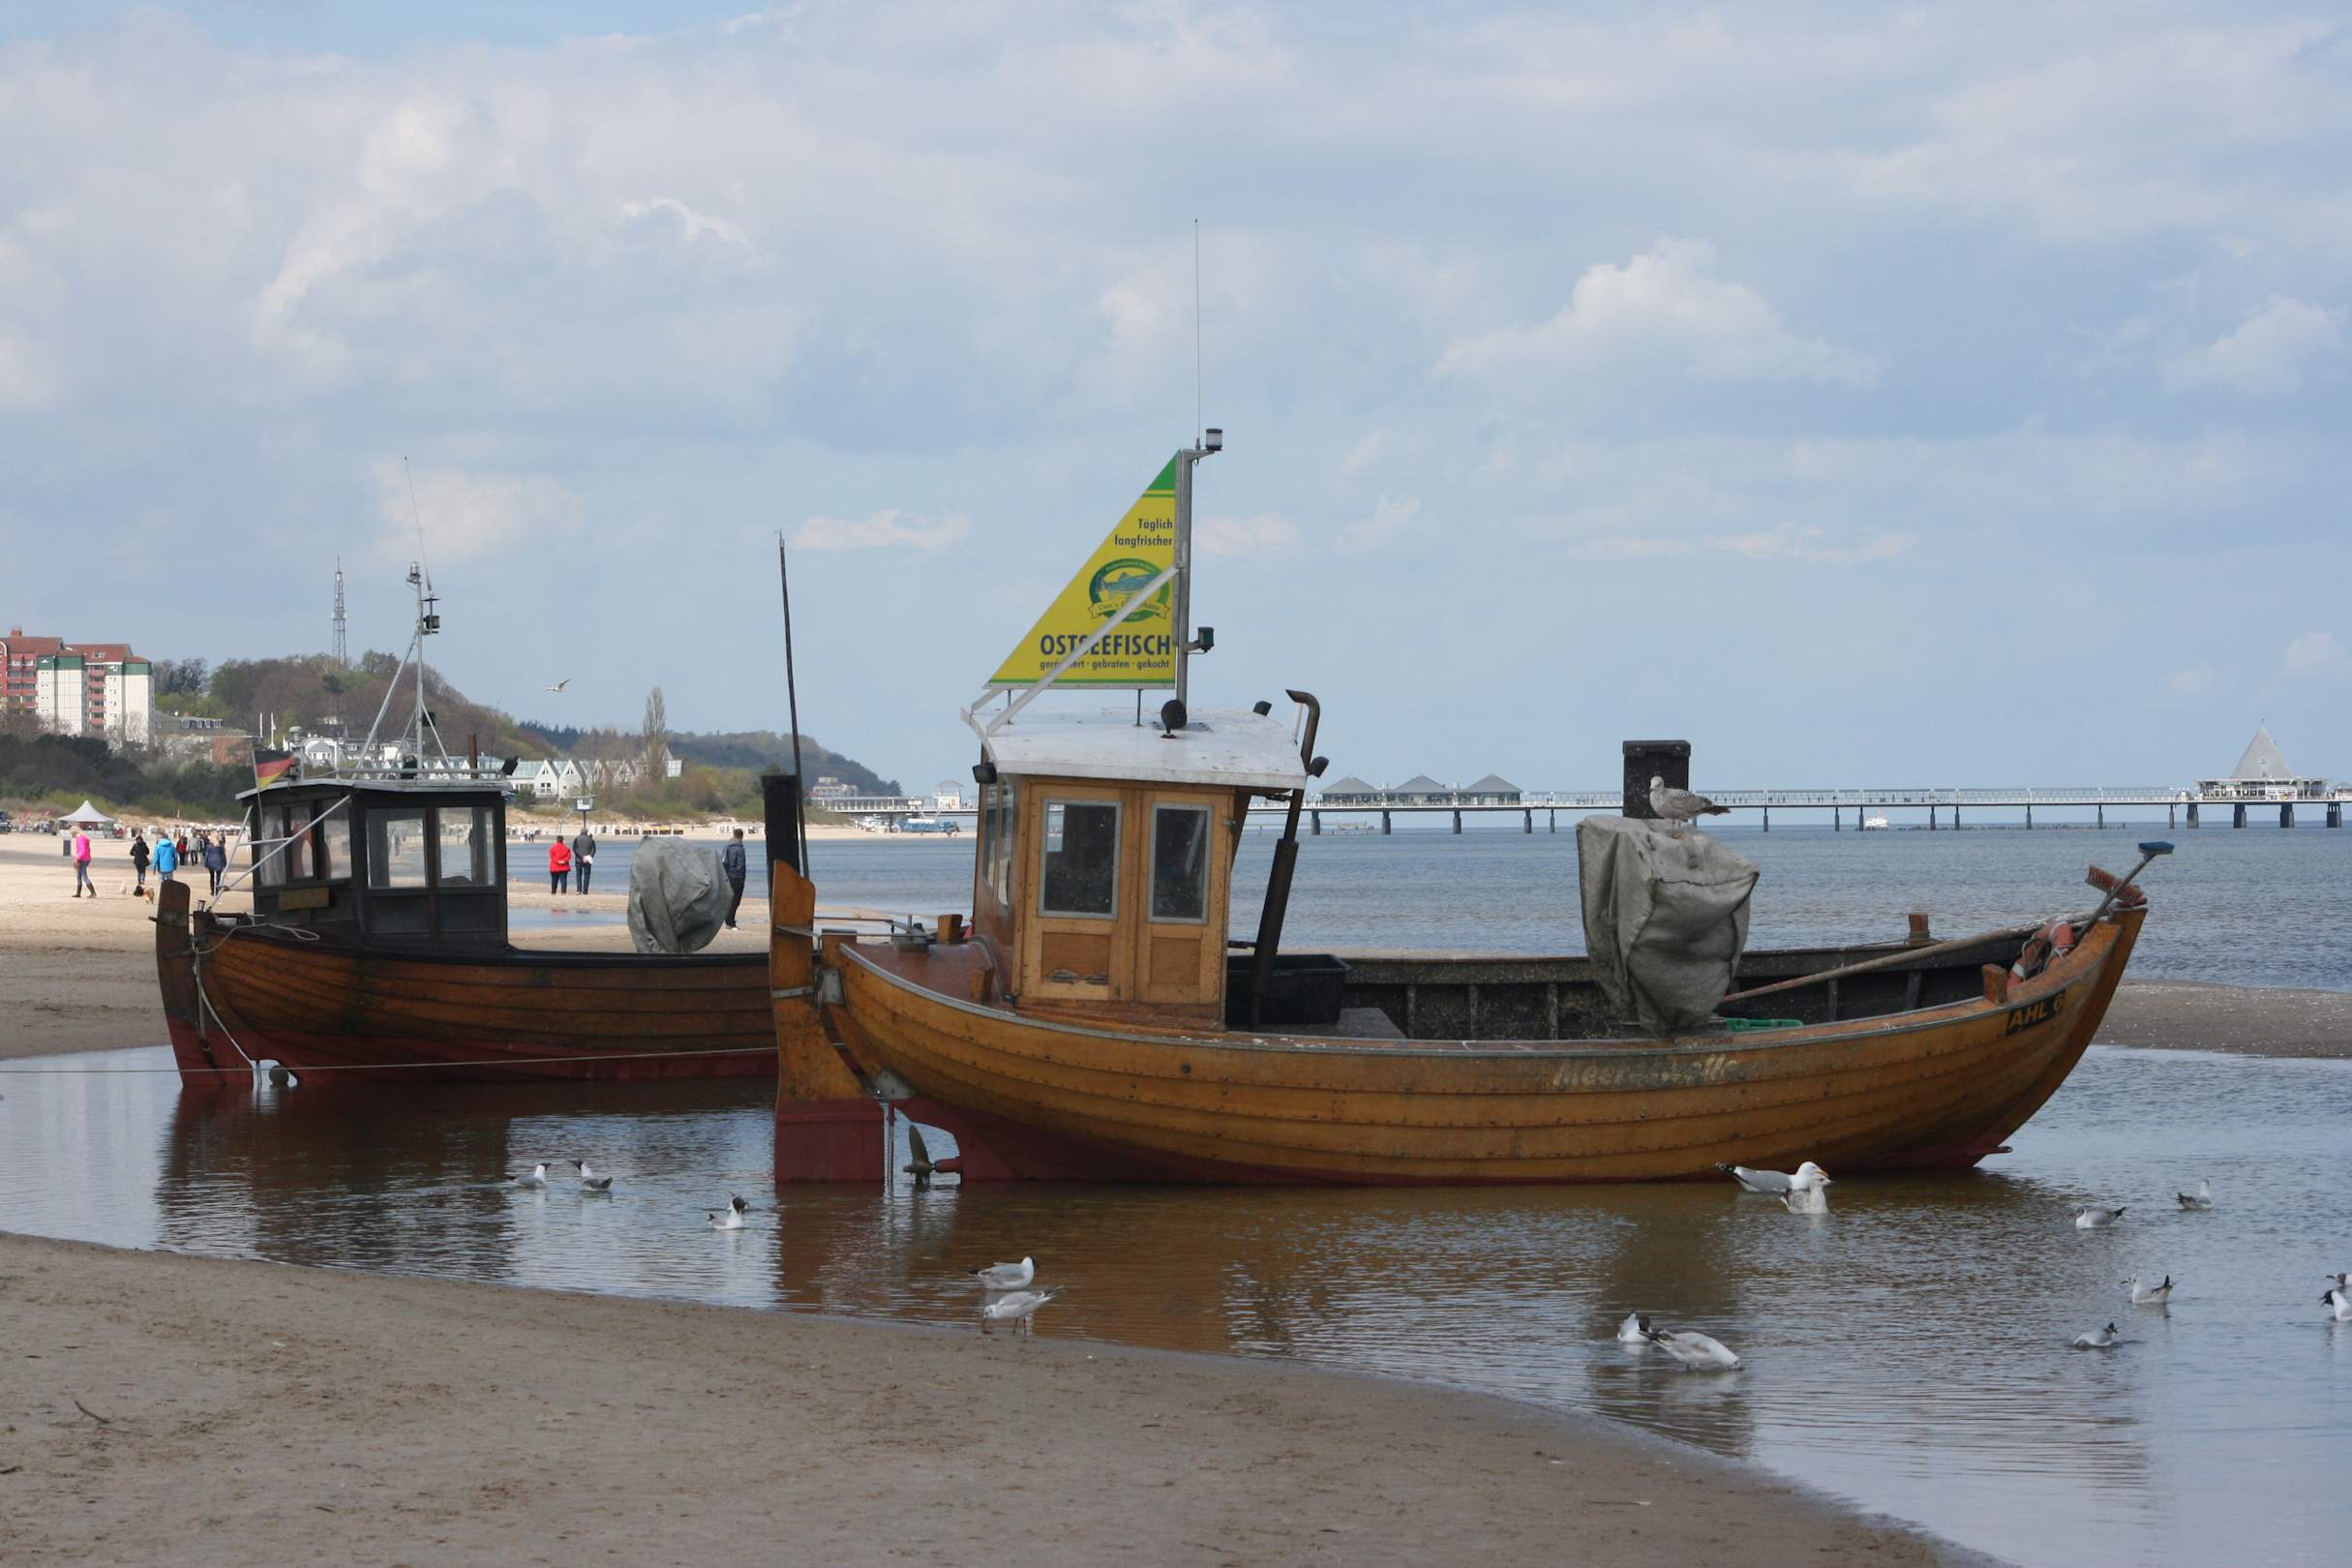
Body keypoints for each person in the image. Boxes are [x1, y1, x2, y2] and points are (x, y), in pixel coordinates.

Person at [720, 827, 747, 930]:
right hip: (737, 877)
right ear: (741, 836)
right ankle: (730, 922)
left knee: (729, 899)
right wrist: (742, 877)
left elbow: (723, 861)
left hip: (728, 875)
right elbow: (741, 865)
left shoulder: (727, 846)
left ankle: (729, 920)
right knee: (735, 900)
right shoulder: (739, 848)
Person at [572, 826, 596, 894]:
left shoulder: (577, 839)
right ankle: (585, 891)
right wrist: (589, 857)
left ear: (581, 832)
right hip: (587, 860)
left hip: (578, 860)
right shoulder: (591, 839)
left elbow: (575, 849)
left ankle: (579, 890)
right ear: (587, 832)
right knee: (587, 875)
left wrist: (581, 857)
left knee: (578, 875)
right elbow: (593, 850)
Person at [72, 827, 95, 897]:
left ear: (74, 833)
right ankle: (78, 893)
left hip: (83, 859)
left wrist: (77, 859)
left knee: (84, 876)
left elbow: (82, 850)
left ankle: (93, 893)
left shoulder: (80, 839)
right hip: (85, 858)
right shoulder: (82, 837)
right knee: (79, 875)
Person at [202, 832, 227, 896]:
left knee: (212, 877)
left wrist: (205, 865)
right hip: (218, 862)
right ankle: (217, 891)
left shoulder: (209, 846)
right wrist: (225, 863)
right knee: (218, 878)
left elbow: (207, 856)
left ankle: (212, 891)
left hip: (211, 862)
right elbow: (223, 855)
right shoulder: (220, 846)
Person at [130, 829, 150, 894]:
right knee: (142, 872)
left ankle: (140, 882)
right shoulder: (143, 845)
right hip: (142, 860)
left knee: (139, 872)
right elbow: (147, 852)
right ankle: (142, 881)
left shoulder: (135, 845)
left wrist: (135, 854)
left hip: (137, 861)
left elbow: (131, 853)